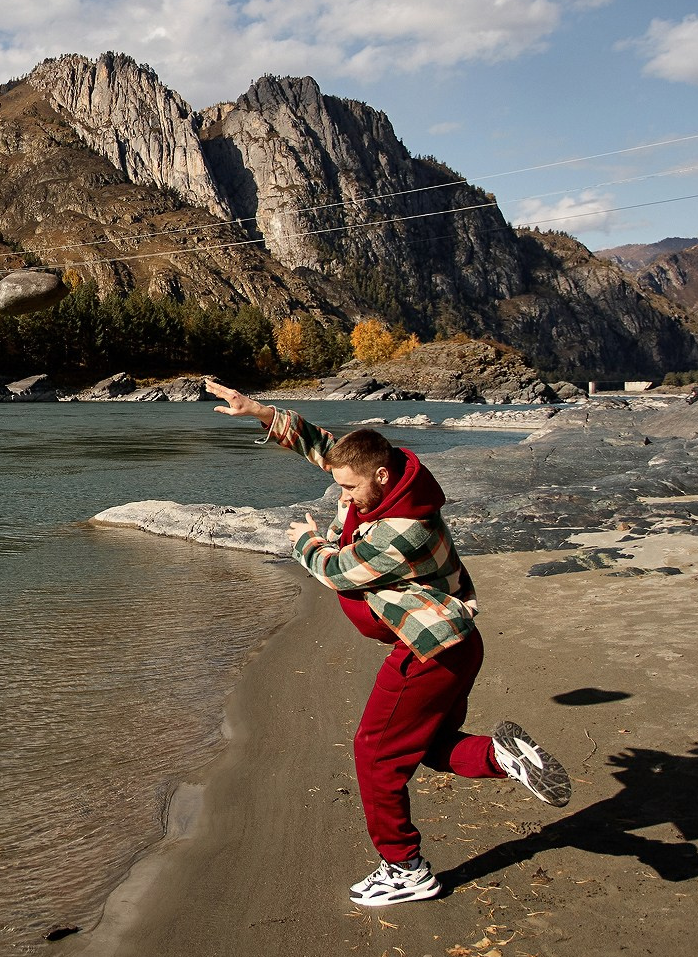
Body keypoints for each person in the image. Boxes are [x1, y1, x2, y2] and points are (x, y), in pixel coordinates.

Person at [205, 379, 570, 906]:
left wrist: (305, 541)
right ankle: (504, 757)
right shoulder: (386, 480)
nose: (342, 497)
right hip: (454, 646)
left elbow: (339, 572)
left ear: (380, 476)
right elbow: (325, 447)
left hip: (429, 652)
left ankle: (405, 869)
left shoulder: (406, 526)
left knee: (375, 752)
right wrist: (259, 410)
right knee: (426, 747)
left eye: (350, 490)